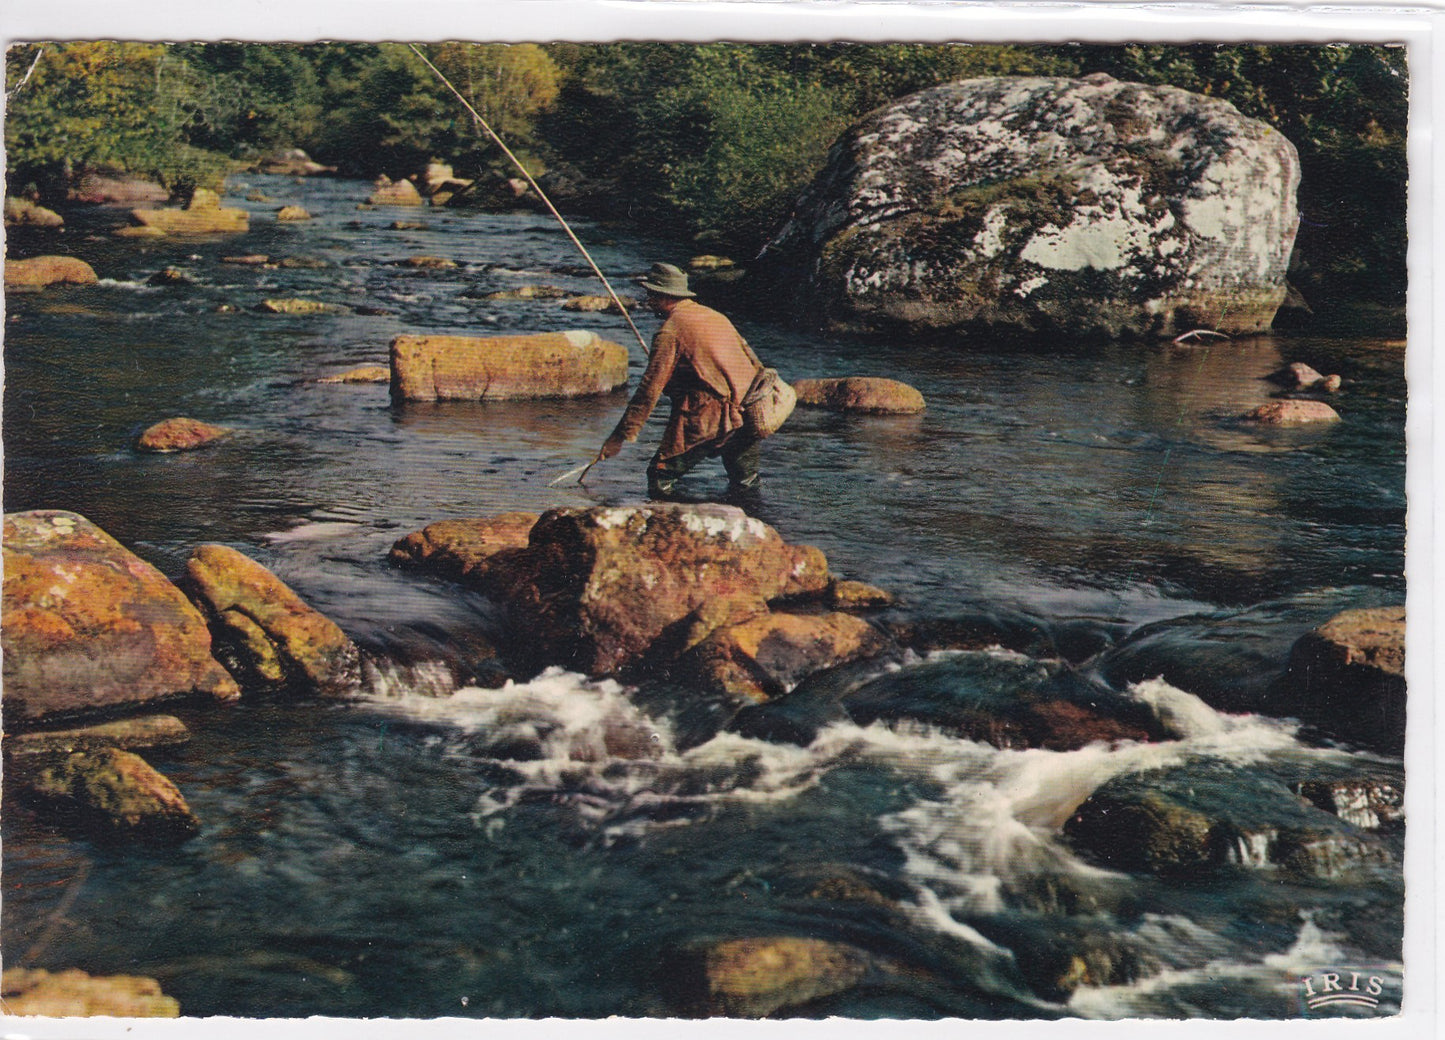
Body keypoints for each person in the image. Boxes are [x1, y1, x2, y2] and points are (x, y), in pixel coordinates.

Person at [599, 262, 764, 499]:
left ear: (664, 296)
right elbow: (751, 361)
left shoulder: (670, 331)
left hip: (711, 417)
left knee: (659, 477)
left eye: (651, 296)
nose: (648, 302)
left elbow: (648, 391)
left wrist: (619, 437)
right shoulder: (714, 316)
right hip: (748, 411)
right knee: (746, 482)